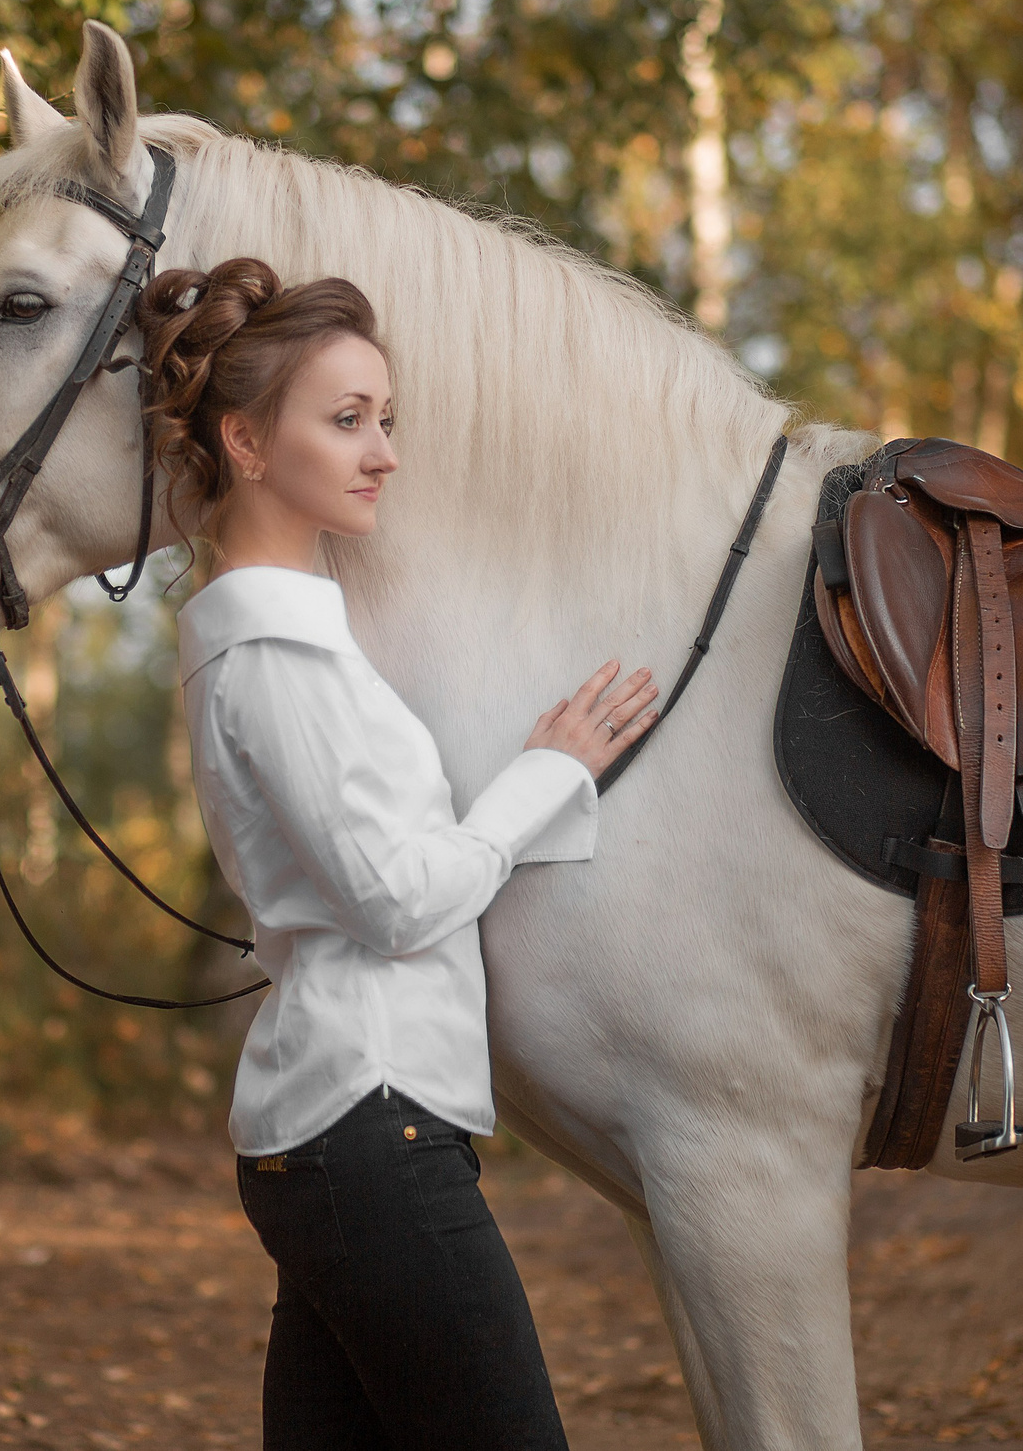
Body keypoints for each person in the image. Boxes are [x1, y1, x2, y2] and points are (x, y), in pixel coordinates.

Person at [138, 257, 659, 1450]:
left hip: (345, 1137)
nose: (384, 452)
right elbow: (394, 896)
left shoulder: (295, 639)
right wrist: (551, 769)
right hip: (371, 1135)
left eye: (386, 419)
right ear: (249, 444)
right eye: (346, 420)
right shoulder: (275, 657)